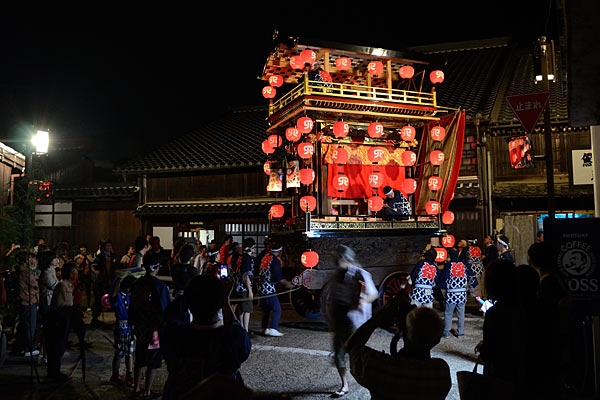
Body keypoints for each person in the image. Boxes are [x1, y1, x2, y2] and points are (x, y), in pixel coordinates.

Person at [345, 292, 451, 400]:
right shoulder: (441, 372)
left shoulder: (381, 367)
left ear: (404, 333)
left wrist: (383, 312)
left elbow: (351, 346)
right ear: (437, 341)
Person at [161, 275, 251, 400]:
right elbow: (234, 327)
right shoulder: (232, 338)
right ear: (219, 304)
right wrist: (225, 300)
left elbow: (170, 315)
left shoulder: (174, 335)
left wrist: (193, 290)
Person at [327, 245, 378, 398]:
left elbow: (373, 294)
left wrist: (363, 300)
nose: (337, 261)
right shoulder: (336, 275)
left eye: (339, 258)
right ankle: (344, 385)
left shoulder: (360, 273)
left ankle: (368, 380)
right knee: (339, 353)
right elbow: (332, 297)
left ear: (346, 258)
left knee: (356, 353)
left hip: (355, 319)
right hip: (339, 318)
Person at [475, 260, 521, 395]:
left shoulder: (495, 313)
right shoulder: (524, 309)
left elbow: (489, 351)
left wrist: (483, 347)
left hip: (500, 373)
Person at [129, 252, 171, 400]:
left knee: (140, 357)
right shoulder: (160, 286)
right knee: (153, 360)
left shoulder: (137, 284)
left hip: (140, 327)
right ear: (157, 267)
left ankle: (136, 388)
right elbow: (165, 309)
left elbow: (132, 307)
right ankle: (147, 391)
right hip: (154, 329)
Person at [45, 262, 78, 381]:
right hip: (58, 320)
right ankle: (53, 372)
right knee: (56, 346)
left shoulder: (70, 286)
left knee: (61, 346)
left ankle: (55, 371)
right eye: (75, 271)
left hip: (65, 319)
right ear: (70, 273)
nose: (77, 274)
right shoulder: (62, 286)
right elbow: (60, 305)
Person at [438, 248, 478, 337]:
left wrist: (443, 288)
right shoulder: (464, 264)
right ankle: (461, 332)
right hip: (462, 293)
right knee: (461, 313)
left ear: (449, 255)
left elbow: (443, 280)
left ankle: (446, 332)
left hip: (451, 293)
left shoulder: (448, 265)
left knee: (448, 313)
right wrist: (469, 286)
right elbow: (472, 277)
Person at [257, 243, 292, 337]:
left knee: (266, 309)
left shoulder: (266, 257)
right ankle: (273, 328)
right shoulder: (275, 260)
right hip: (268, 288)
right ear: (280, 251)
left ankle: (265, 328)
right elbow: (277, 277)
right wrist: (287, 283)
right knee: (277, 309)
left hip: (261, 287)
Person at [110, 274, 137, 386]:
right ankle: (115, 375)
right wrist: (117, 281)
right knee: (120, 353)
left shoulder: (131, 296)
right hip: (122, 328)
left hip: (130, 328)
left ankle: (129, 375)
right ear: (129, 288)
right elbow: (113, 297)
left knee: (129, 352)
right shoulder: (119, 296)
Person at [16, 251, 40, 357]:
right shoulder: (26, 272)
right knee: (30, 326)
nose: (34, 260)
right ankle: (28, 348)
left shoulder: (22, 270)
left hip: (25, 300)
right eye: (32, 258)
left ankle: (23, 347)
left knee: (25, 325)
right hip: (28, 301)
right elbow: (34, 285)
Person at [91, 240, 116, 326]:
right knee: (99, 299)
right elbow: (93, 266)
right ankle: (95, 318)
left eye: (110, 246)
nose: (109, 248)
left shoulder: (113, 255)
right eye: (107, 246)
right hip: (101, 281)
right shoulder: (100, 256)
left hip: (110, 280)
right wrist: (97, 272)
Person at [236, 238, 256, 333]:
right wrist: (250, 290)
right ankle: (245, 329)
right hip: (245, 287)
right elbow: (246, 275)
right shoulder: (247, 258)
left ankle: (242, 327)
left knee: (241, 309)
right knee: (247, 309)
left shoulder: (240, 257)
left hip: (239, 286)